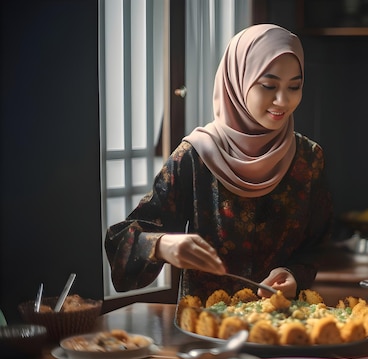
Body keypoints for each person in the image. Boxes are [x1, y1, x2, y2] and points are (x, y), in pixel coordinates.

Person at [104, 24, 333, 301]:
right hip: (205, 327)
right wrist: (163, 245)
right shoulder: (195, 155)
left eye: (294, 86)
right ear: (237, 80)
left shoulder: (308, 158)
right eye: (269, 85)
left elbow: (318, 245)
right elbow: (121, 240)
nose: (283, 100)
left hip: (283, 326)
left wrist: (295, 275)